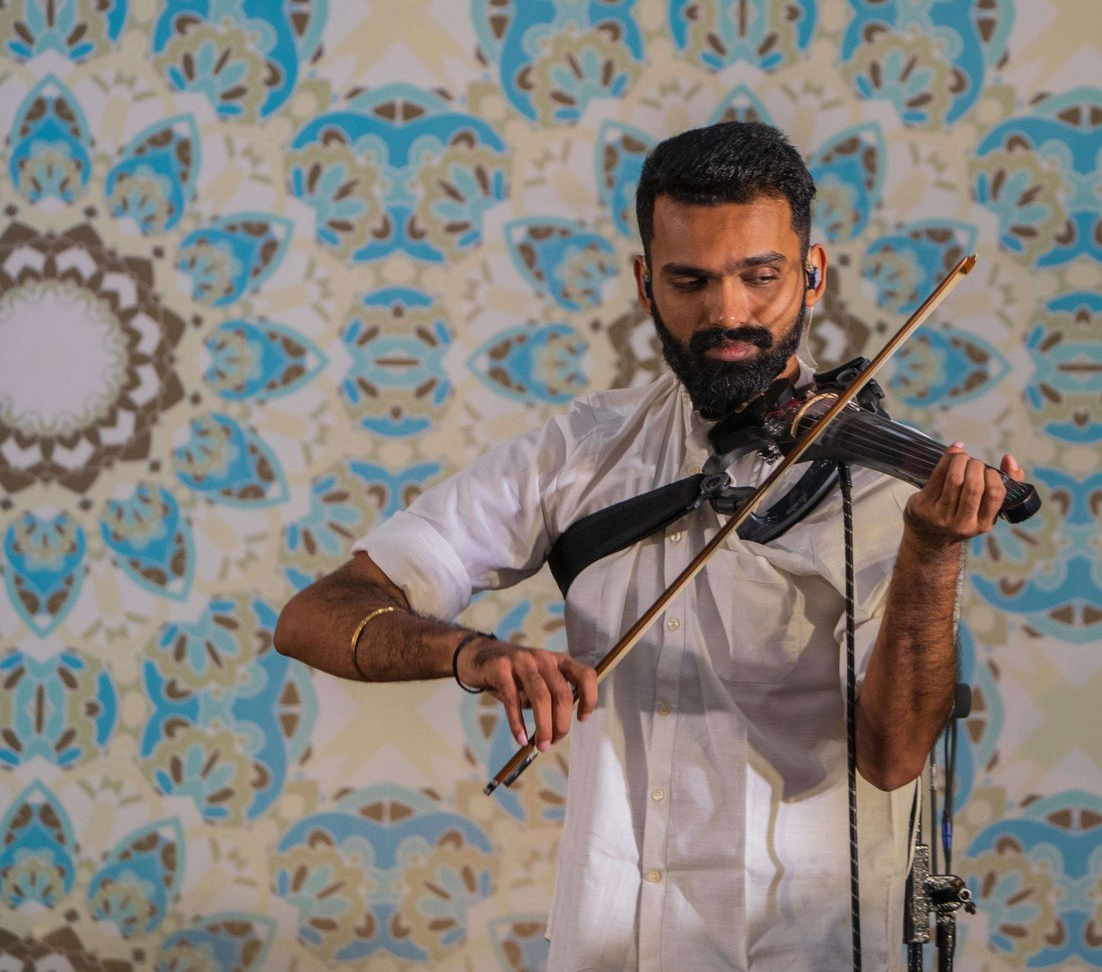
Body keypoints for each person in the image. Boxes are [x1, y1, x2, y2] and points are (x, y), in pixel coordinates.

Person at [274, 120, 1024, 971]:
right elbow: (314, 616)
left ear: (813, 274)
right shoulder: (583, 450)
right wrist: (471, 654)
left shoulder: (885, 486)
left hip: (807, 949)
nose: (728, 312)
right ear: (645, 283)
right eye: (690, 280)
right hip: (610, 945)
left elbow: (894, 758)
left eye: (761, 276)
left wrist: (932, 553)